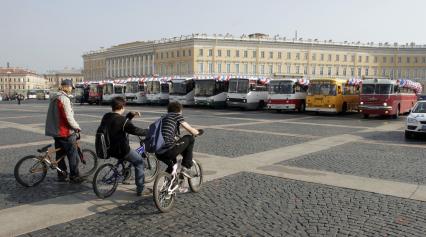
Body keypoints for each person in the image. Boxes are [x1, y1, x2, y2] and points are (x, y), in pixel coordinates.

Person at [98, 97, 149, 196]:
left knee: (125, 159)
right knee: (139, 163)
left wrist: (130, 115)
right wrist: (148, 132)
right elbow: (134, 130)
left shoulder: (106, 116)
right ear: (122, 107)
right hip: (121, 150)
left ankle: (125, 176)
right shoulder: (122, 120)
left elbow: (119, 122)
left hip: (108, 148)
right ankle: (141, 189)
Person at [45, 79, 82, 183]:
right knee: (72, 154)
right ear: (67, 87)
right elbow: (68, 117)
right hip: (65, 131)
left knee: (60, 154)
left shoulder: (54, 97)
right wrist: (77, 127)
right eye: (71, 87)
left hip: (56, 131)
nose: (71, 90)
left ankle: (62, 175)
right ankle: (74, 176)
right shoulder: (64, 99)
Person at [156, 101, 201, 178]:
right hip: (169, 151)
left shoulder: (162, 117)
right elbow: (190, 129)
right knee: (190, 138)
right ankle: (186, 167)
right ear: (179, 110)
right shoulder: (176, 116)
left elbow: (168, 134)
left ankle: (166, 186)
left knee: (173, 166)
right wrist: (197, 132)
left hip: (158, 153)